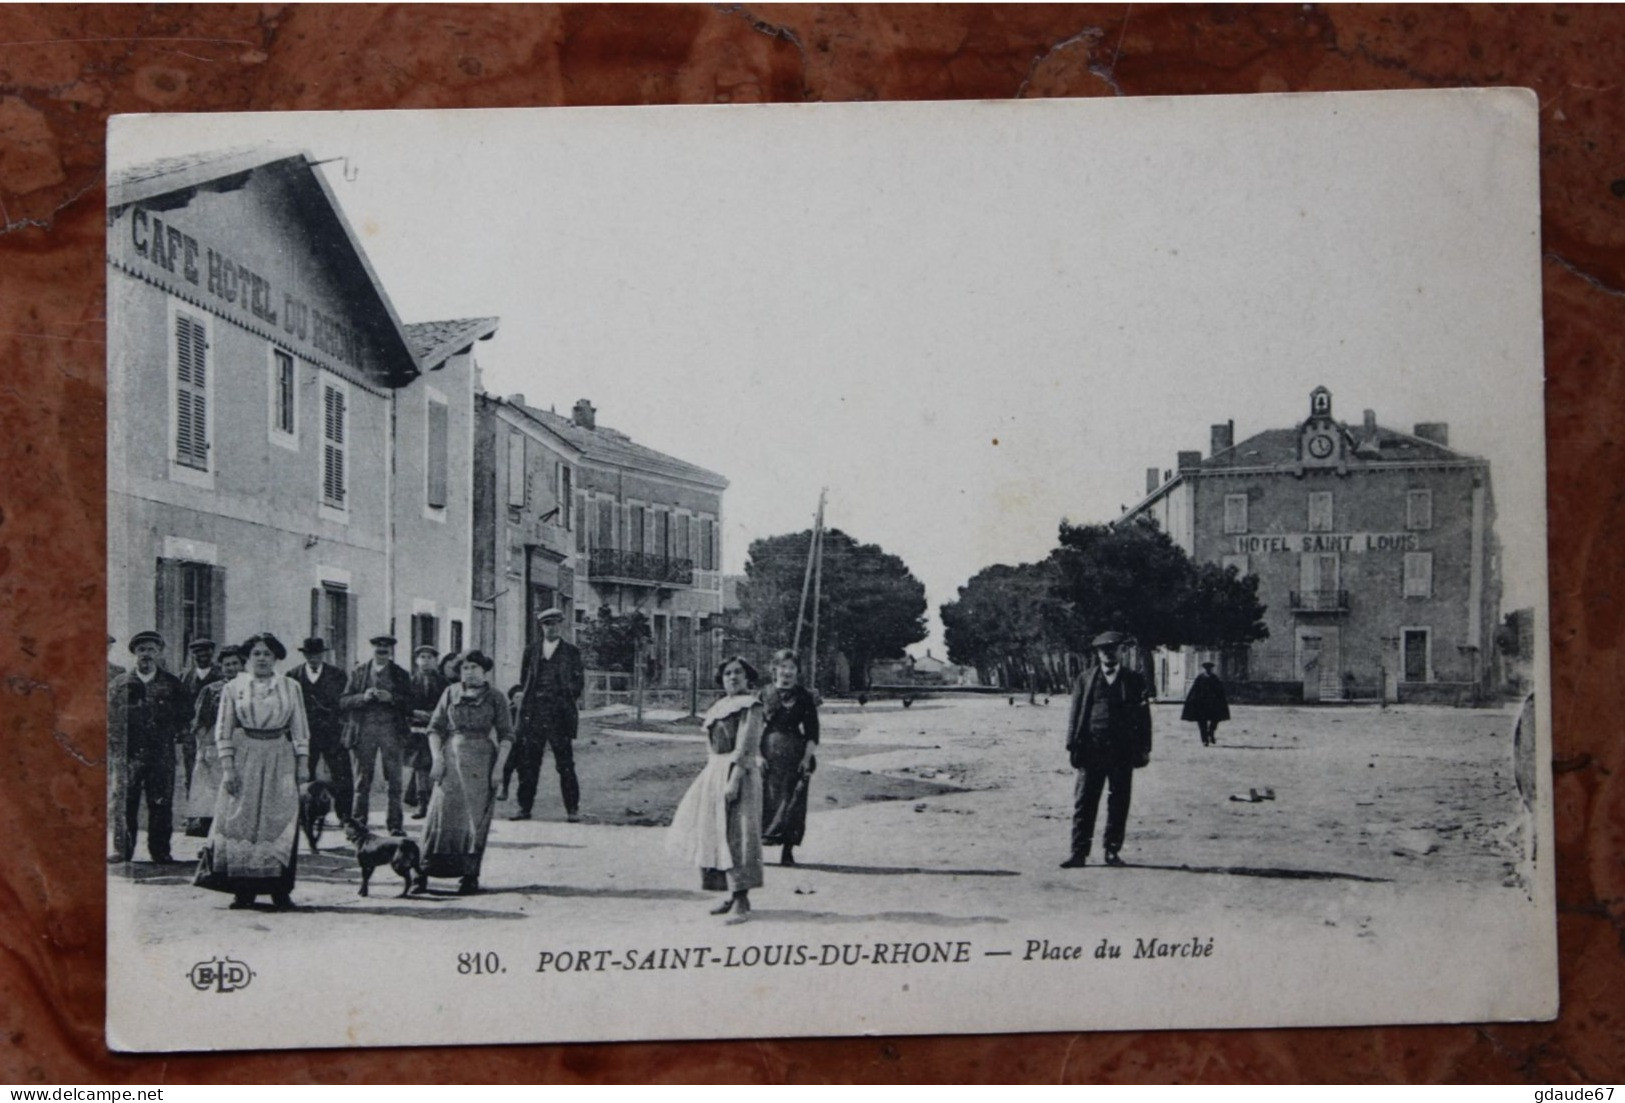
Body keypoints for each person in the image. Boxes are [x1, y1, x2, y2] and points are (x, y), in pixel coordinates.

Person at [194, 633, 310, 910]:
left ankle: (280, 891)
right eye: (256, 653)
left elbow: (300, 727)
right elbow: (223, 729)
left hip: (279, 757)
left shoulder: (290, 686)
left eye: (267, 654)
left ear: (276, 658)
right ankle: (242, 892)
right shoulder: (234, 687)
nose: (261, 659)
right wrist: (229, 768)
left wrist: (303, 764)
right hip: (245, 755)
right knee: (240, 820)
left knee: (278, 818)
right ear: (247, 658)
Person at [666, 655, 765, 923]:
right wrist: (712, 775)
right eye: (728, 674)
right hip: (715, 772)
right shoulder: (719, 706)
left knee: (739, 834)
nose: (733, 678)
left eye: (738, 673)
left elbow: (747, 745)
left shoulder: (751, 706)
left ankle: (742, 901)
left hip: (739, 775)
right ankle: (730, 894)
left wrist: (734, 779)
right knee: (714, 832)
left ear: (748, 678)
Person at [417, 650, 514, 895]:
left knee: (474, 820)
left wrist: (498, 769)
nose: (469, 672)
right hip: (450, 759)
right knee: (440, 814)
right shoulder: (450, 693)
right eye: (464, 668)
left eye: (473, 667)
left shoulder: (496, 697)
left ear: (484, 670)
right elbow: (435, 729)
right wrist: (437, 758)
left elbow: (507, 736)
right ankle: (423, 872)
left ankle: (470, 876)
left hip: (482, 763)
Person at [1060, 631, 1153, 869]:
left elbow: (1144, 718)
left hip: (1123, 751)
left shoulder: (1134, 680)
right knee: (1084, 802)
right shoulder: (1085, 679)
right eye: (1104, 650)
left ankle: (1112, 852)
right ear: (1098, 653)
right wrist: (1072, 744)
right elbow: (1076, 714)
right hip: (1092, 750)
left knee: (1119, 802)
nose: (1108, 654)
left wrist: (1144, 748)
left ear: (1120, 651)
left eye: (1113, 650)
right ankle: (1078, 853)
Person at [107, 630, 189, 863]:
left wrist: (174, 734)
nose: (147, 655)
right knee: (124, 802)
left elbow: (185, 715)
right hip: (128, 754)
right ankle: (122, 850)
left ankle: (160, 851)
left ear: (159, 653)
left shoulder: (172, 684)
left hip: (160, 754)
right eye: (142, 650)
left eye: (151, 650)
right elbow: (109, 717)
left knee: (160, 802)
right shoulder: (121, 683)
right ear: (135, 653)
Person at [513, 608, 585, 822]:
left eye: (554, 624)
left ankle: (572, 810)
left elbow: (578, 683)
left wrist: (563, 696)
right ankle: (524, 808)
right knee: (529, 764)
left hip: (559, 717)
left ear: (560, 625)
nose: (550, 628)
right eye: (546, 624)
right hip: (534, 715)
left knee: (565, 764)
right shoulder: (531, 651)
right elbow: (525, 680)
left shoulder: (571, 652)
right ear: (541, 626)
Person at [340, 634, 413, 836]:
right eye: (378, 650)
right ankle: (358, 825)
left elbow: (410, 704)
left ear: (390, 652)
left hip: (392, 733)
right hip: (364, 732)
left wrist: (392, 698)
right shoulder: (359, 672)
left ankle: (395, 826)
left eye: (385, 651)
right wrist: (362, 697)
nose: (382, 654)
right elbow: (344, 701)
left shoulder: (400, 674)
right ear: (372, 651)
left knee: (395, 782)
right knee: (362, 781)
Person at [758, 649, 820, 866]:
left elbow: (813, 731)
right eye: (783, 667)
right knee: (766, 799)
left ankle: (788, 850)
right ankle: (757, 849)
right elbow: (755, 727)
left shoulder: (804, 696)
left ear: (797, 671)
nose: (787, 672)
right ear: (774, 669)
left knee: (794, 802)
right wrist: (758, 756)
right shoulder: (764, 694)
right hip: (769, 755)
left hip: (796, 755)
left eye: (792, 668)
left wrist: (806, 759)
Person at [288, 637, 353, 830]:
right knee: (302, 775)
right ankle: (302, 816)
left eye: (317, 654)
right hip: (305, 735)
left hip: (332, 733)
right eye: (309, 654)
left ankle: (345, 816)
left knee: (341, 775)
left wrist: (341, 725)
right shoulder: (293, 676)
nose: (313, 658)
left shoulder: (338, 675)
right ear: (304, 655)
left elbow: (345, 703)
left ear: (323, 655)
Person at [184, 644, 244, 837]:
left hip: (244, 747)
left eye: (235, 663)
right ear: (221, 666)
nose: (231, 668)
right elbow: (200, 723)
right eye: (227, 664)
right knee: (216, 795)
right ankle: (213, 842)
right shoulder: (211, 690)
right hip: (216, 747)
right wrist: (204, 750)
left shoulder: (251, 687)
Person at [405, 645, 448, 820]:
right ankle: (422, 803)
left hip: (437, 730)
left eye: (430, 657)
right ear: (416, 661)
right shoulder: (410, 682)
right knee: (419, 767)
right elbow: (403, 703)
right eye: (422, 657)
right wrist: (414, 712)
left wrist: (435, 715)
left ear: (436, 661)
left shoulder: (444, 683)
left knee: (436, 765)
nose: (426, 660)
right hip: (416, 729)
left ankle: (436, 804)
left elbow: (447, 704)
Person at [178, 637, 223, 792]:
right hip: (191, 731)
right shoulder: (184, 677)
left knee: (215, 767)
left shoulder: (221, 674)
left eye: (206, 652)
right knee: (191, 767)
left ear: (212, 653)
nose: (202, 655)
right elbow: (180, 705)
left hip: (215, 730)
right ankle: (193, 808)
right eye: (197, 652)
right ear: (192, 654)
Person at [1181, 661, 1231, 746]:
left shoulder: (1214, 678)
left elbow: (1220, 691)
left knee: (1215, 720)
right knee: (1202, 722)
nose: (1208, 670)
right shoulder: (1200, 678)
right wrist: (1193, 702)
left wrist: (1220, 702)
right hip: (1202, 704)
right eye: (1207, 669)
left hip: (1212, 704)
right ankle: (1204, 740)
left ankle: (1211, 733)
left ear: (1211, 669)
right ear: (1204, 669)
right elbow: (1194, 691)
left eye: (1209, 669)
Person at [498, 684, 523, 802]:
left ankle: (522, 794)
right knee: (507, 768)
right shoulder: (508, 712)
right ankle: (505, 790)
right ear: (512, 699)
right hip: (511, 745)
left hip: (524, 745)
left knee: (524, 770)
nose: (520, 700)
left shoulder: (529, 712)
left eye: (522, 698)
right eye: (517, 697)